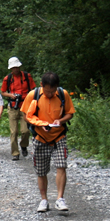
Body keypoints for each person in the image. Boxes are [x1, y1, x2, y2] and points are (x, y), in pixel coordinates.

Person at [25, 72, 76, 213]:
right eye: (47, 91)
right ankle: (44, 200)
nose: (50, 93)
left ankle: (60, 199)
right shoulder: (33, 95)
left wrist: (61, 120)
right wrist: (40, 124)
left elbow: (70, 113)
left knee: (61, 166)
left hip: (59, 136)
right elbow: (26, 116)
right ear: (42, 86)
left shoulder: (62, 94)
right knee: (41, 171)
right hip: (40, 137)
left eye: (52, 91)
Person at [1, 57, 35, 161]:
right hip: (12, 107)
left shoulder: (26, 76)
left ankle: (24, 145)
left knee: (25, 131)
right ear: (10, 68)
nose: (15, 69)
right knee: (14, 132)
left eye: (17, 67)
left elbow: (33, 89)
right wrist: (11, 96)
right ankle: (15, 153)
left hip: (25, 107)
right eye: (13, 67)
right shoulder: (8, 78)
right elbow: (3, 92)